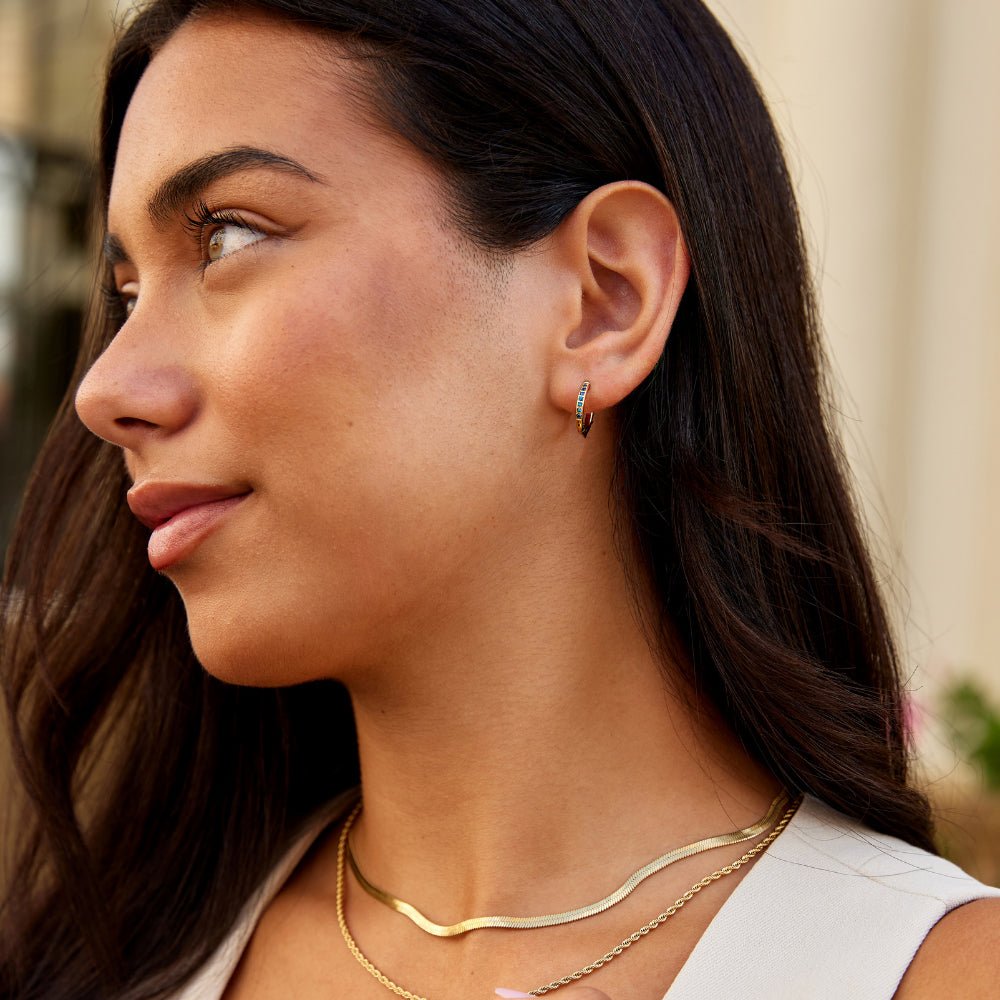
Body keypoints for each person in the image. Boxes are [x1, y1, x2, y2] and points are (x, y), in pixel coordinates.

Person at [1, 1, 998, 998]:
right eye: (127, 293)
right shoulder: (104, 949)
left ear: (603, 298)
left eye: (226, 236)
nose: (105, 389)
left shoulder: (932, 974)